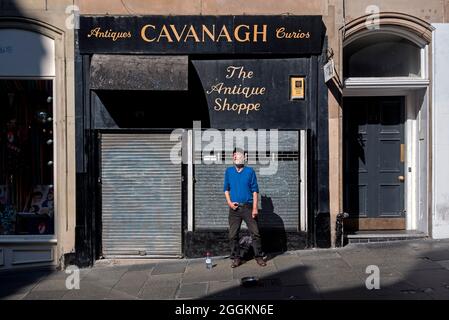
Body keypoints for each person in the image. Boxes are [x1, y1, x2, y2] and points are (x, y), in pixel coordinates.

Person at [224, 148, 266, 268]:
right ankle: (236, 258)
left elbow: (255, 191)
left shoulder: (250, 171)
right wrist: (230, 203)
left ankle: (258, 256)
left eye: (239, 155)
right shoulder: (229, 171)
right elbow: (226, 189)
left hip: (248, 207)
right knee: (233, 235)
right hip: (234, 209)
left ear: (244, 157)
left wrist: (255, 208)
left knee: (255, 233)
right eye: (235, 155)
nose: (236, 157)